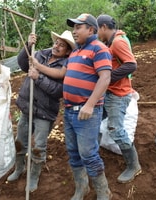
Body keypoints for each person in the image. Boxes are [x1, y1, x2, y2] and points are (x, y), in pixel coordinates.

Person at [6, 30, 75, 193]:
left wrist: (39, 77)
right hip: (27, 106)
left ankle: (34, 176)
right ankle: (19, 168)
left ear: (67, 51)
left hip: (45, 112)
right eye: (57, 42)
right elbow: (23, 64)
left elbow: (59, 91)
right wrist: (28, 46)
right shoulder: (41, 54)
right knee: (20, 141)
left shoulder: (66, 65)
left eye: (62, 45)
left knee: (38, 146)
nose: (57, 46)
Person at [64, 13, 113, 200]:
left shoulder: (99, 48)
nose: (74, 31)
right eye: (73, 27)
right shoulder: (75, 52)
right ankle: (82, 188)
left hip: (86, 113)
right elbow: (67, 75)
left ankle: (103, 192)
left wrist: (90, 105)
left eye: (78, 27)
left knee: (88, 154)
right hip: (69, 111)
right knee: (73, 152)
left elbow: (105, 77)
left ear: (91, 29)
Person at [96, 14, 142, 183]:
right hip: (109, 92)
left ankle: (134, 165)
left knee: (115, 128)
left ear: (103, 27)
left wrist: (108, 78)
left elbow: (131, 64)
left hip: (118, 94)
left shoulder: (118, 42)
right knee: (95, 121)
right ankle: (93, 155)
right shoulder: (111, 42)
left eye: (97, 29)